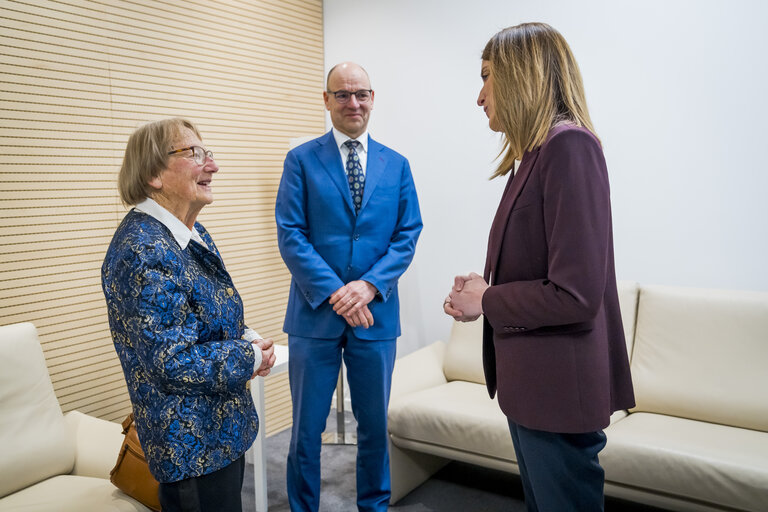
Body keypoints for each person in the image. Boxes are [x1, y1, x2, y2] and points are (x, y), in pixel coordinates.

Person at [444, 23, 635, 511]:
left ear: (519, 75)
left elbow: (576, 294)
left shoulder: (570, 147)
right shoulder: (534, 155)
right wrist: (486, 287)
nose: (480, 96)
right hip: (533, 386)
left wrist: (487, 300)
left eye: (487, 77)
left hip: (557, 395)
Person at [101, 117, 276, 512]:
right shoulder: (143, 250)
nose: (211, 165)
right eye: (193, 154)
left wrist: (246, 338)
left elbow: (205, 313)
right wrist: (249, 358)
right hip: (191, 449)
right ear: (152, 175)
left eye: (207, 152)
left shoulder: (191, 232)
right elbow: (172, 361)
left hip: (221, 432)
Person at [275, 62, 422, 512]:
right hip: (314, 313)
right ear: (326, 100)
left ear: (373, 98)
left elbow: (407, 233)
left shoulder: (396, 165)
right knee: (306, 429)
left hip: (375, 315)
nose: (352, 103)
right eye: (342, 94)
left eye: (361, 94)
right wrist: (340, 292)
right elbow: (290, 233)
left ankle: (373, 506)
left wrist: (369, 286)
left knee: (375, 427)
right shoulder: (301, 159)